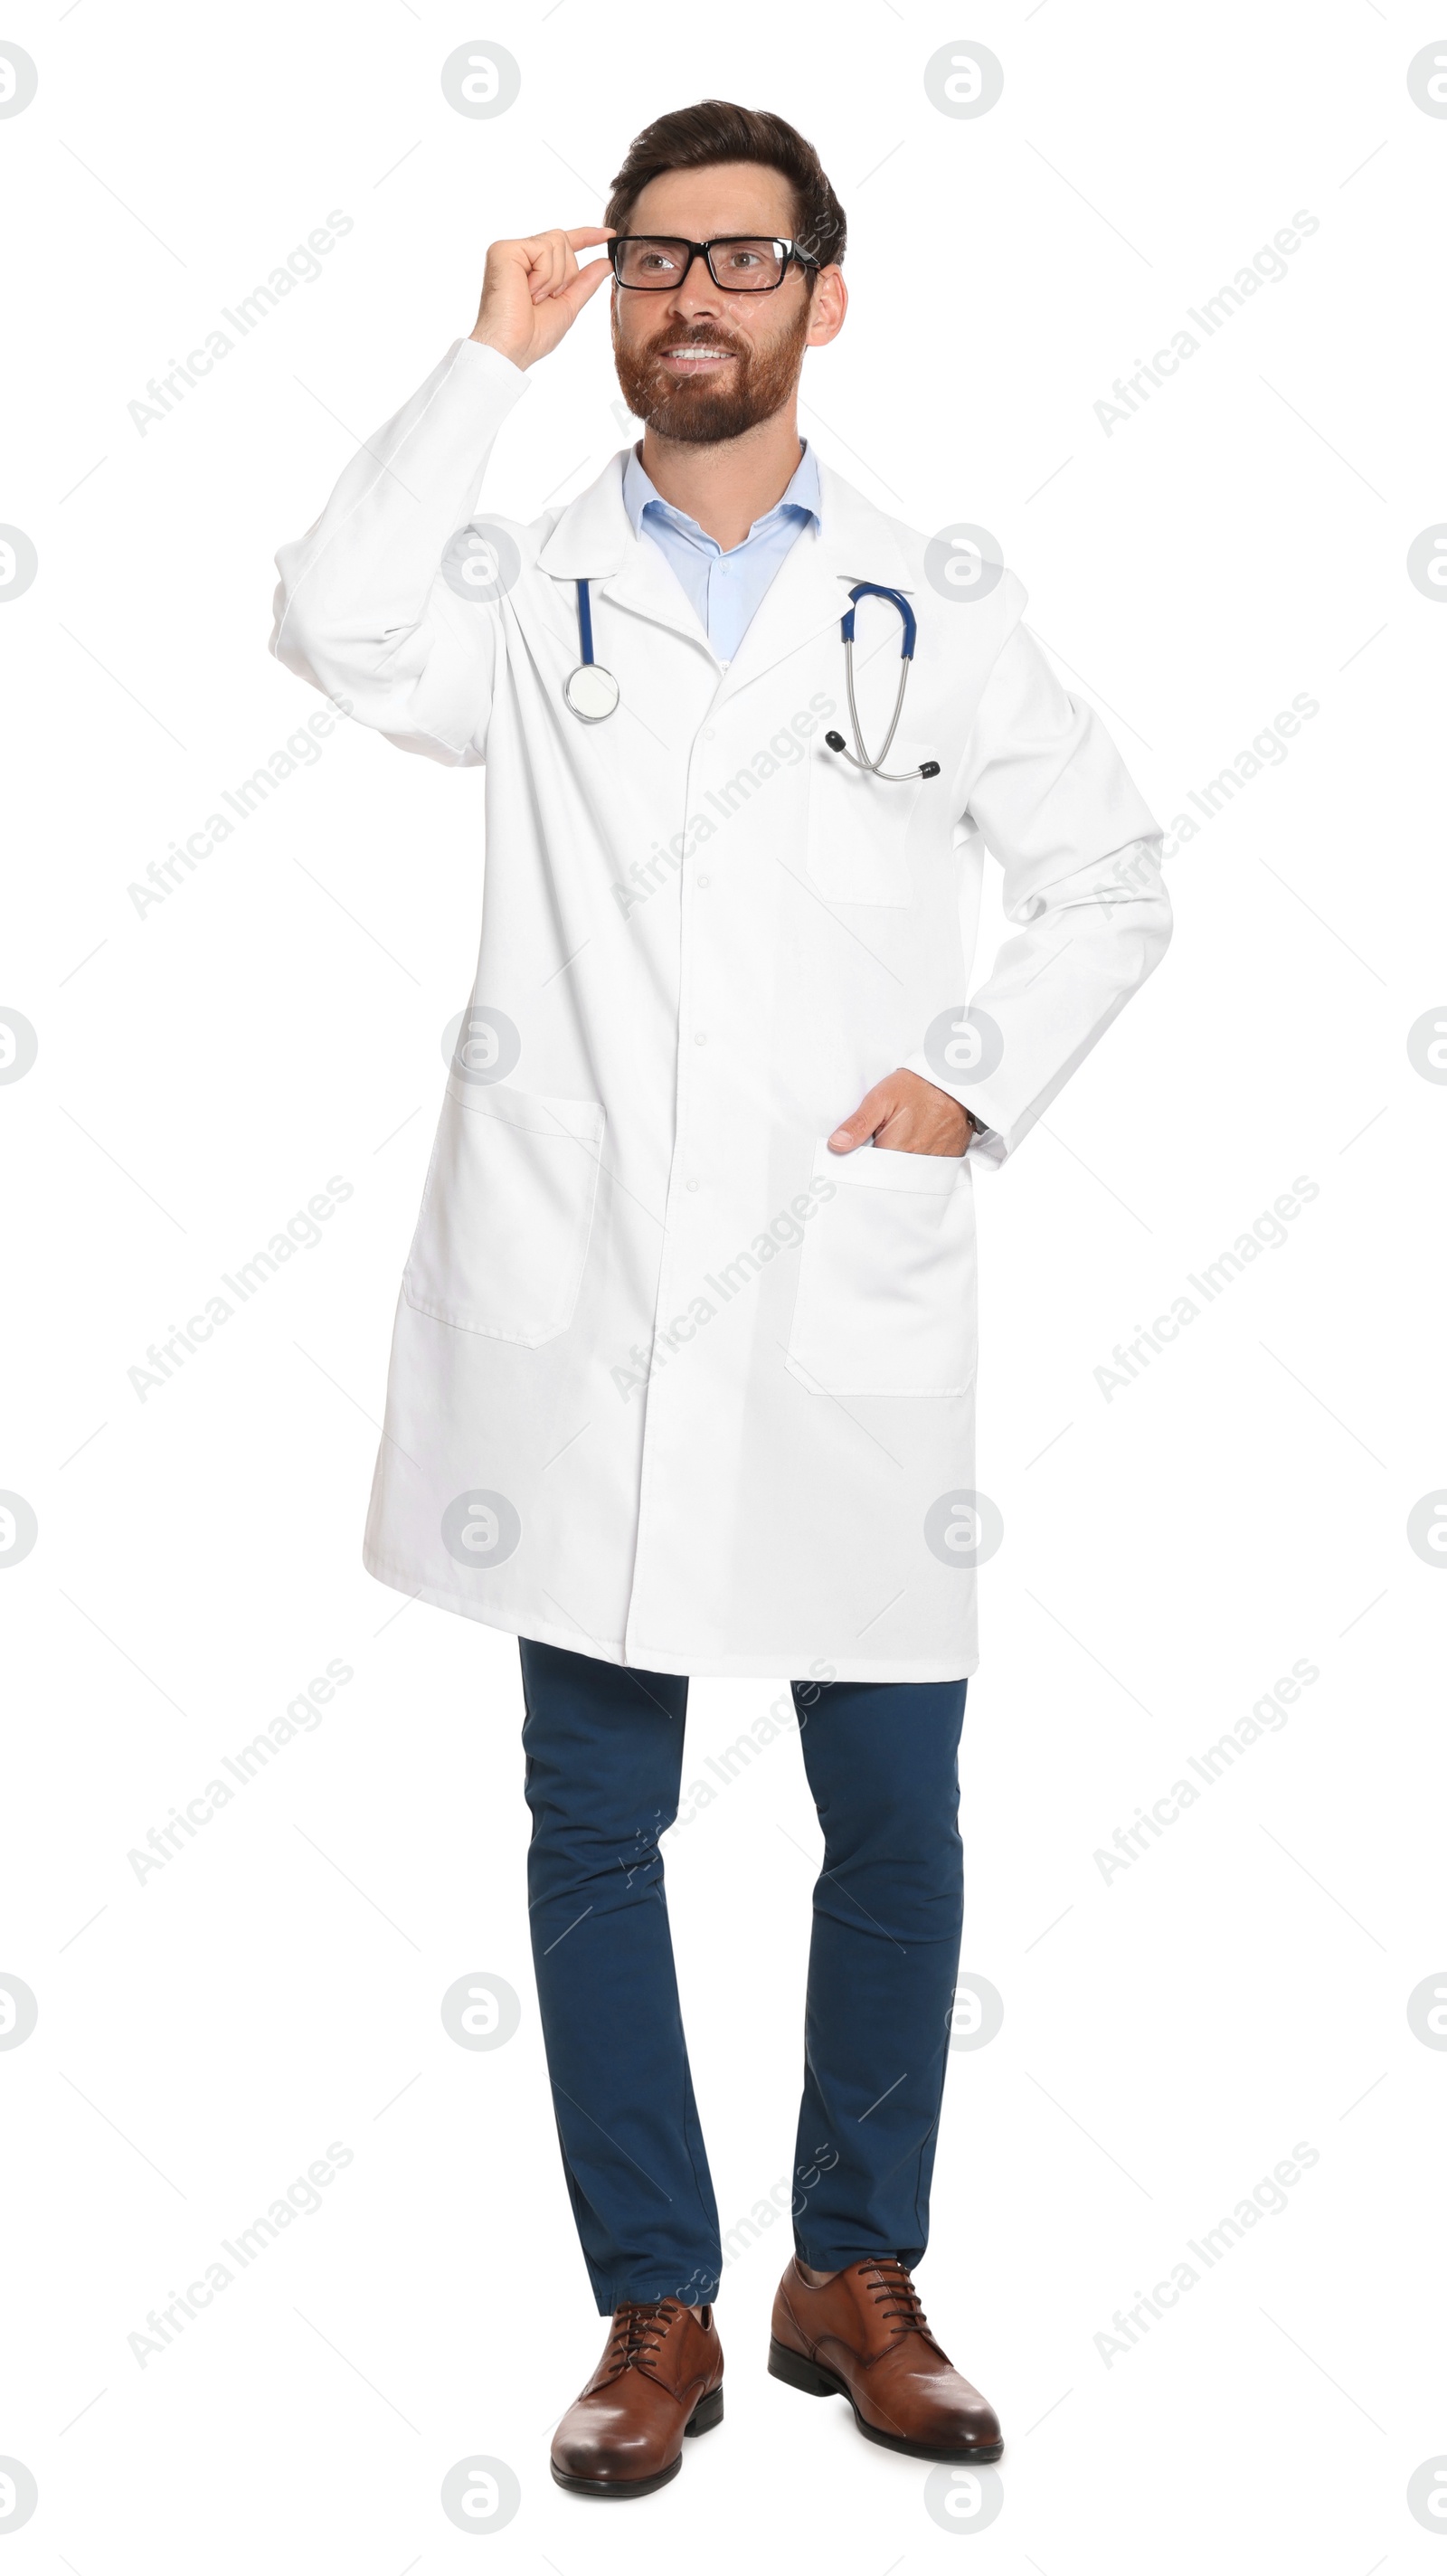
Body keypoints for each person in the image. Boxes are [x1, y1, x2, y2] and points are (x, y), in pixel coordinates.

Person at [271, 97, 1170, 2500]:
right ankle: (653, 2306)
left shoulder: (932, 595)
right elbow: (336, 621)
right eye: (655, 258)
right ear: (610, 290)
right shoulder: (528, 581)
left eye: (745, 260)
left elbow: (1110, 878)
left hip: (843, 1309)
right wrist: (476, 367)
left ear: (824, 297)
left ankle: (848, 2271)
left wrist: (961, 1086)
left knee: (895, 1813)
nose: (693, 298)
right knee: (600, 1815)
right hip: (588, 1310)